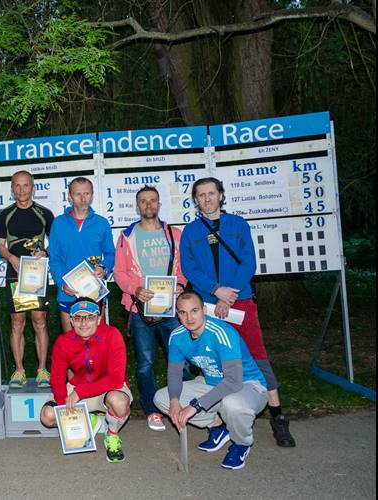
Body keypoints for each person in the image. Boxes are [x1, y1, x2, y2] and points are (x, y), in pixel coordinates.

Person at [180, 177, 295, 447]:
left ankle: (278, 416)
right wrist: (215, 290)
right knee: (216, 359)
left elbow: (248, 263)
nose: (207, 199)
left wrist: (229, 293)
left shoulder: (238, 225)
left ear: (221, 195)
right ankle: (220, 421)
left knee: (257, 355)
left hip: (239, 300)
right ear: (195, 200)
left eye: (211, 193)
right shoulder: (191, 231)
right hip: (208, 303)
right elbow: (189, 268)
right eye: (201, 195)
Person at [154, 291, 269, 470]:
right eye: (183, 312)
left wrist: (195, 406)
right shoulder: (177, 336)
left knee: (233, 404)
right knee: (162, 398)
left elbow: (233, 381)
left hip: (248, 385)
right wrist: (175, 401)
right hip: (212, 384)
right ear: (177, 313)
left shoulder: (221, 332)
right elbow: (175, 373)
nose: (189, 318)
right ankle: (217, 426)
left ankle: (241, 443)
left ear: (204, 310)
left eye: (194, 311)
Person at [113, 185, 187, 432]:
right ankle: (152, 410)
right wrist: (135, 289)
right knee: (145, 363)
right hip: (140, 310)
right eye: (143, 201)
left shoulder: (174, 234)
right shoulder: (127, 236)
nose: (148, 205)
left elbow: (184, 268)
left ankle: (186, 406)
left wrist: (182, 286)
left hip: (172, 310)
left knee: (180, 361)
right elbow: (119, 272)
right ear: (137, 206)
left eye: (152, 200)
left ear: (159, 204)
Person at [40, 297, 132, 463]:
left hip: (108, 388)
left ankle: (112, 434)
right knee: (47, 416)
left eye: (89, 317)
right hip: (79, 387)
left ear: (98, 319)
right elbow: (57, 378)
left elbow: (116, 379)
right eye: (78, 318)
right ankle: (89, 420)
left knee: (119, 402)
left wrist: (80, 393)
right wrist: (63, 405)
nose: (83, 323)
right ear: (71, 321)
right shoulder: (63, 342)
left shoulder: (112, 335)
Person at [0, 170, 55, 389]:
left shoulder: (44, 213)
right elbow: (0, 245)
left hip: (37, 273)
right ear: (12, 189)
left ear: (33, 187)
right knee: (17, 323)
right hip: (14, 272)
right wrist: (12, 258)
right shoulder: (5, 214)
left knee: (39, 321)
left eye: (26, 185)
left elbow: (55, 242)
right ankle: (19, 370)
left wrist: (45, 254)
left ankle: (42, 370)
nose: (22, 190)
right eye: (17, 186)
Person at [49, 177, 115, 333]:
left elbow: (110, 253)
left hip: (94, 292)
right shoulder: (58, 223)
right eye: (78, 194)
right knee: (71, 344)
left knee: (97, 344)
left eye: (86, 193)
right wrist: (62, 283)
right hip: (68, 293)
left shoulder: (102, 223)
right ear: (70, 196)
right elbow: (55, 259)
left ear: (92, 195)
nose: (83, 198)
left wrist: (104, 268)